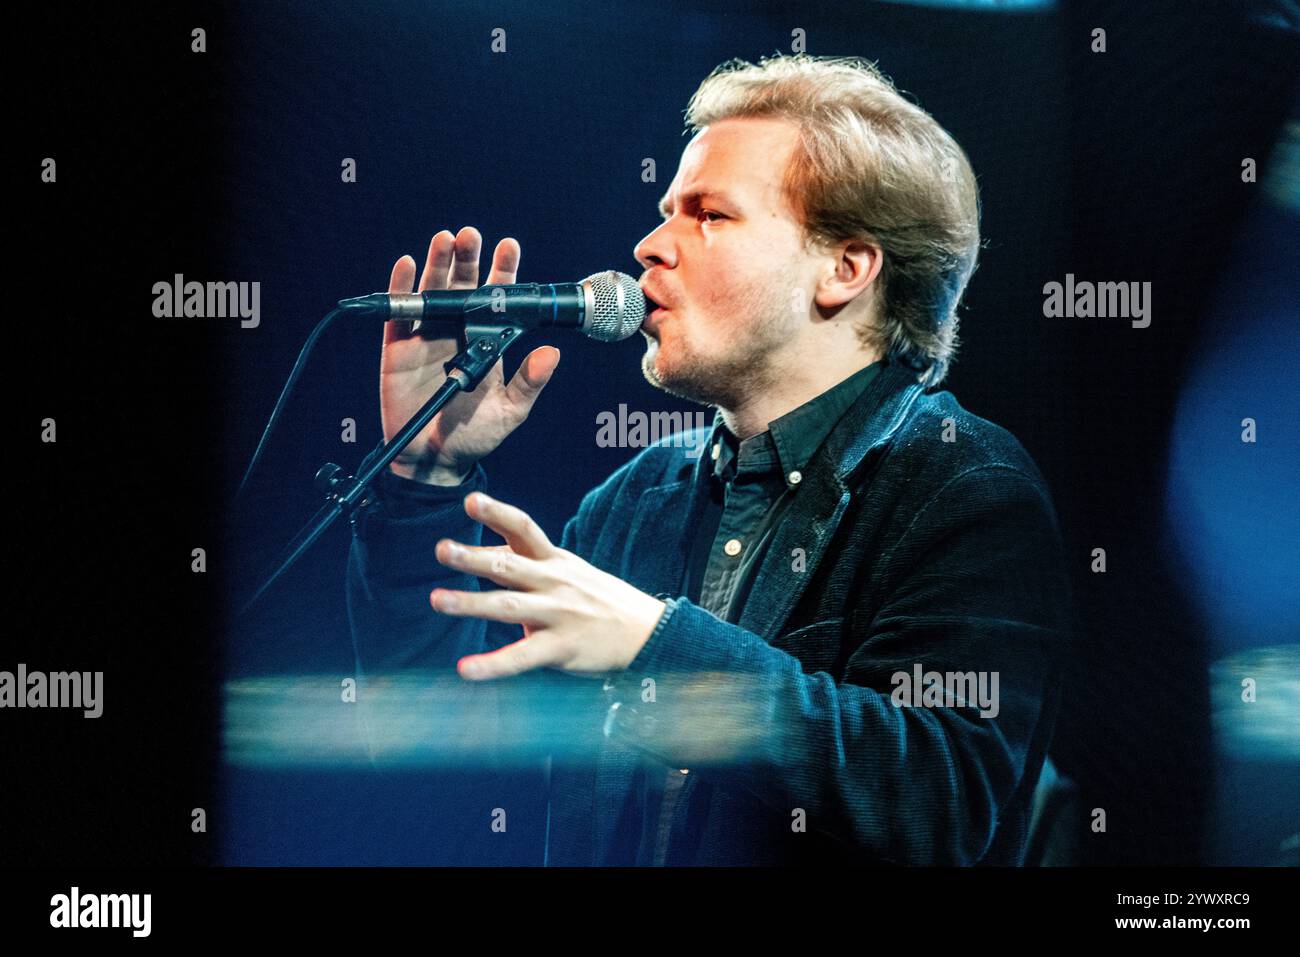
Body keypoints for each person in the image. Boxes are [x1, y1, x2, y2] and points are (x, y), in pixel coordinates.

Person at [344, 53, 1071, 865]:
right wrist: (421, 479)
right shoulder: (635, 498)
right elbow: (443, 748)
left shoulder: (963, 486)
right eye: (666, 211)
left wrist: (658, 645)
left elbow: (937, 798)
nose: (652, 244)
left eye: (709, 215)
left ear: (844, 268)